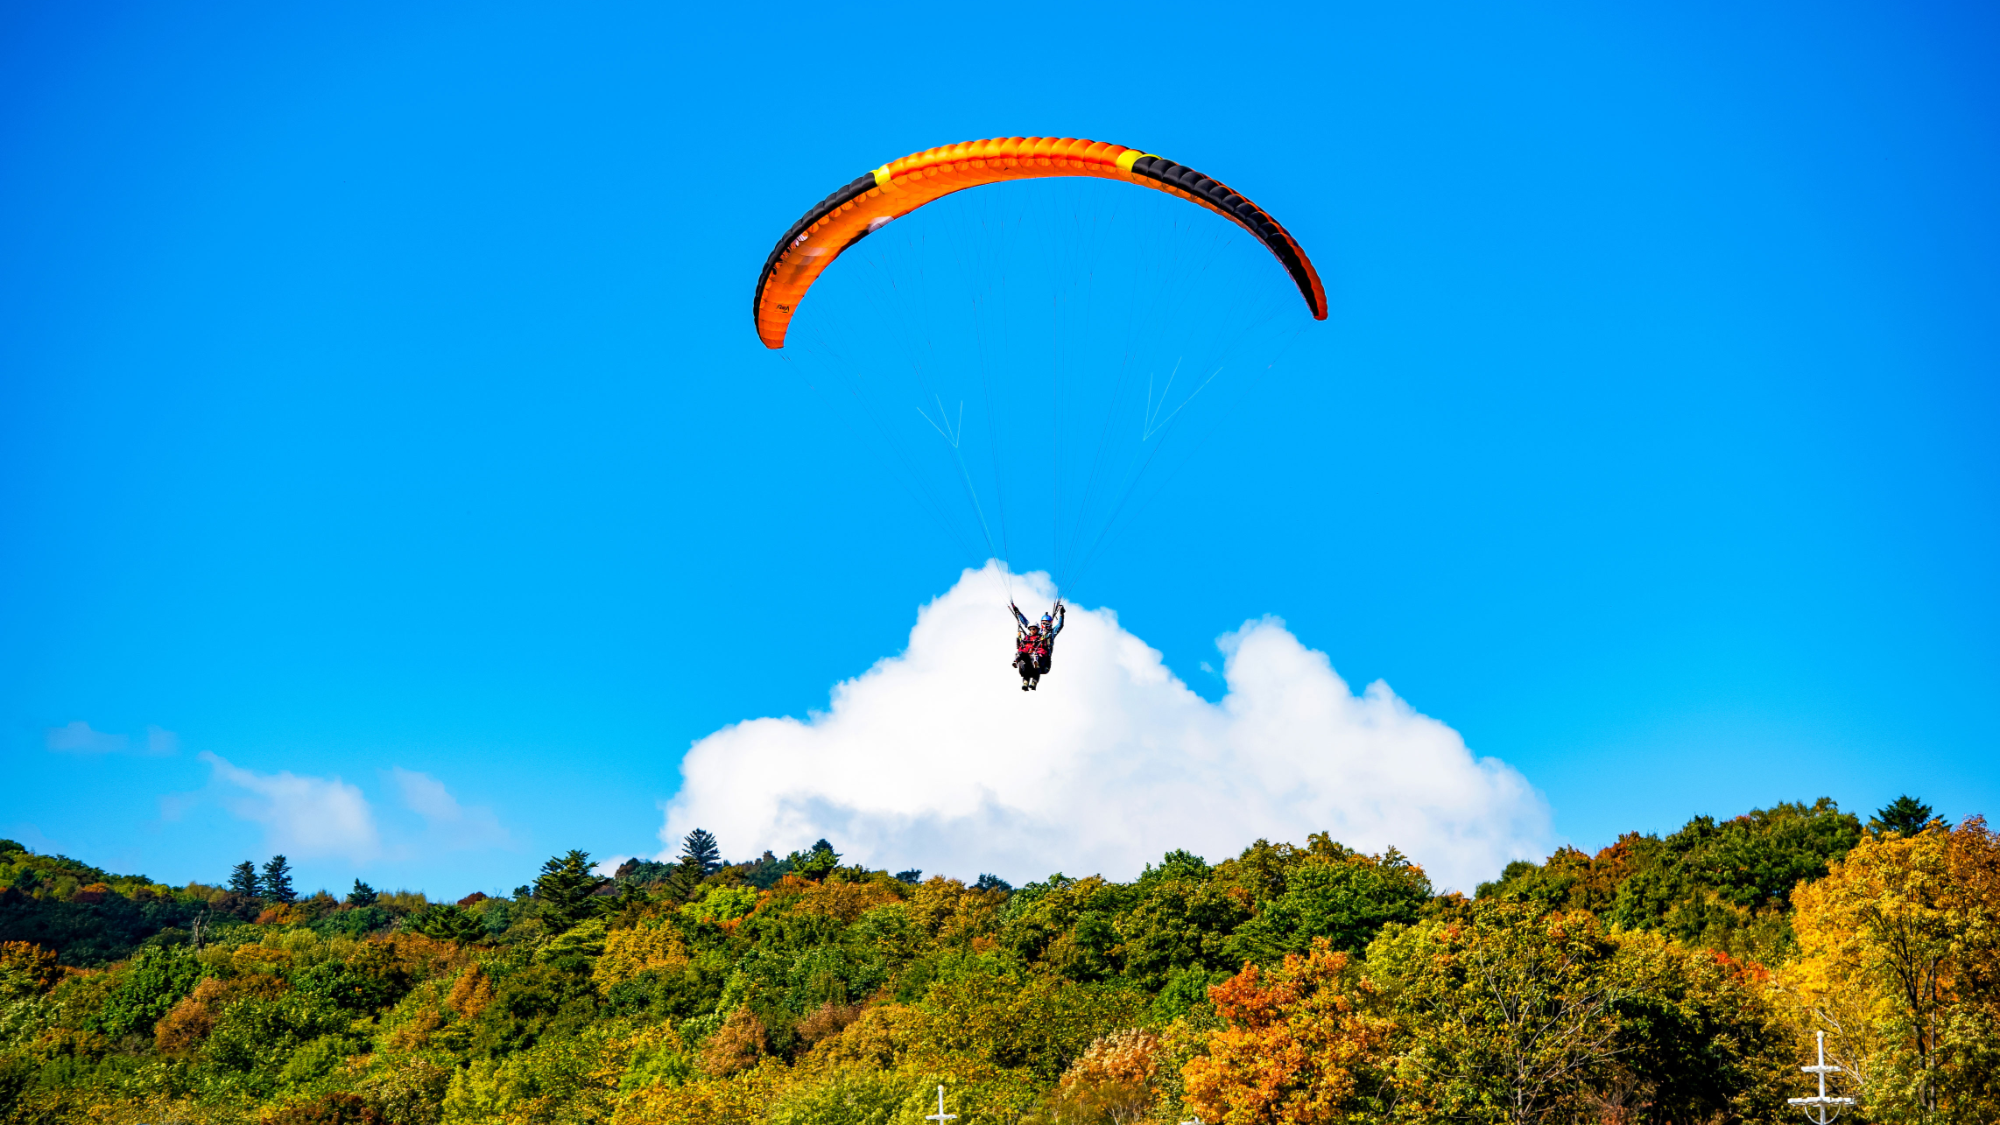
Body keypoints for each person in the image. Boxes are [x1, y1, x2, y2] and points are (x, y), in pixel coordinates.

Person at [1009, 600, 1065, 691]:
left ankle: (1034, 677)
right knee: (1025, 657)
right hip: (1032, 654)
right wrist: (1018, 612)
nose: (1045, 626)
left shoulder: (1051, 633)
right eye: (1044, 623)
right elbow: (1026, 623)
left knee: (1037, 657)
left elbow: (1059, 626)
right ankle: (1024, 676)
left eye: (1047, 624)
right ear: (1041, 623)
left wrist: (1062, 615)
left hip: (1044, 657)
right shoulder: (1036, 630)